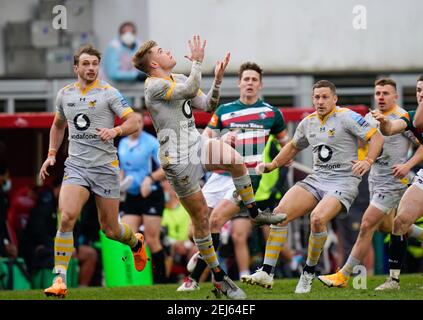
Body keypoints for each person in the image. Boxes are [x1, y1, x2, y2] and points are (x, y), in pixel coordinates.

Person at [132, 36, 286, 299]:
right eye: (161, 50)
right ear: (154, 63)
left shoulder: (179, 78)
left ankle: (254, 212)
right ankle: (218, 277)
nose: (167, 50)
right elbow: (190, 91)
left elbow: (207, 105)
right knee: (202, 223)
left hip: (197, 143)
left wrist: (216, 80)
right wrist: (198, 62)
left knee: (236, 161)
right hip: (177, 160)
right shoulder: (153, 86)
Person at [241, 80, 384, 293]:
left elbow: (377, 138)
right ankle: (266, 271)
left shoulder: (347, 117)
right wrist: (272, 164)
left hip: (344, 181)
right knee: (280, 214)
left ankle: (308, 273)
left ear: (335, 99)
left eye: (325, 97)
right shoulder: (308, 122)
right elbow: (292, 146)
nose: (320, 101)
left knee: (317, 219)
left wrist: (368, 161)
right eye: (316, 97)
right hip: (316, 179)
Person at [39, 45, 142, 298]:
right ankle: (59, 279)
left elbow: (134, 121)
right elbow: (58, 125)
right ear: (76, 68)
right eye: (85, 63)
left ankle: (135, 242)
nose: (91, 68)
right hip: (76, 167)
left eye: (95, 63)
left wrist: (115, 131)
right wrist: (51, 155)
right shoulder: (64, 94)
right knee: (66, 218)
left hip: (105, 168)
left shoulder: (109, 93)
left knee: (110, 229)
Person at [176, 62, 289, 291]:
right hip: (218, 175)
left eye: (254, 80)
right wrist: (221, 141)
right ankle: (202, 253)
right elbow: (203, 140)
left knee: (215, 221)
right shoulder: (224, 111)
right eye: (246, 79)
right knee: (194, 230)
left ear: (260, 85)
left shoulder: (272, 114)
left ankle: (194, 280)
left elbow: (287, 147)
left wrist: (275, 162)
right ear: (239, 83)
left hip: (247, 177)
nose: (249, 83)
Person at [318, 78, 423, 289]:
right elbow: (374, 140)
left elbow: (417, 143)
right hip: (375, 180)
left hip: (394, 181)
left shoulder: (403, 116)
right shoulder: (370, 116)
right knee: (389, 226)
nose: (381, 97)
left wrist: (407, 165)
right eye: (378, 93)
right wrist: (362, 159)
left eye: (386, 93)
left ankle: (343, 275)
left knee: (367, 224)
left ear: (396, 96)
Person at [366, 75, 423, 289]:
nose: (421, 94)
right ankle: (393, 280)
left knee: (371, 223)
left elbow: (419, 124)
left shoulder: (416, 118)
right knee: (400, 222)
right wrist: (383, 123)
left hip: (399, 178)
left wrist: (407, 165)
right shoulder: (408, 116)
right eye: (418, 90)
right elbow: (390, 129)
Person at [118, 111, 168, 283]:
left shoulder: (151, 143)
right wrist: (119, 187)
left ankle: (161, 282)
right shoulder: (122, 143)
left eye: (140, 121)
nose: (137, 125)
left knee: (153, 239)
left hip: (151, 194)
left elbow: (165, 167)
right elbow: (122, 169)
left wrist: (150, 178)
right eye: (134, 121)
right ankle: (137, 276)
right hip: (131, 196)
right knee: (127, 236)